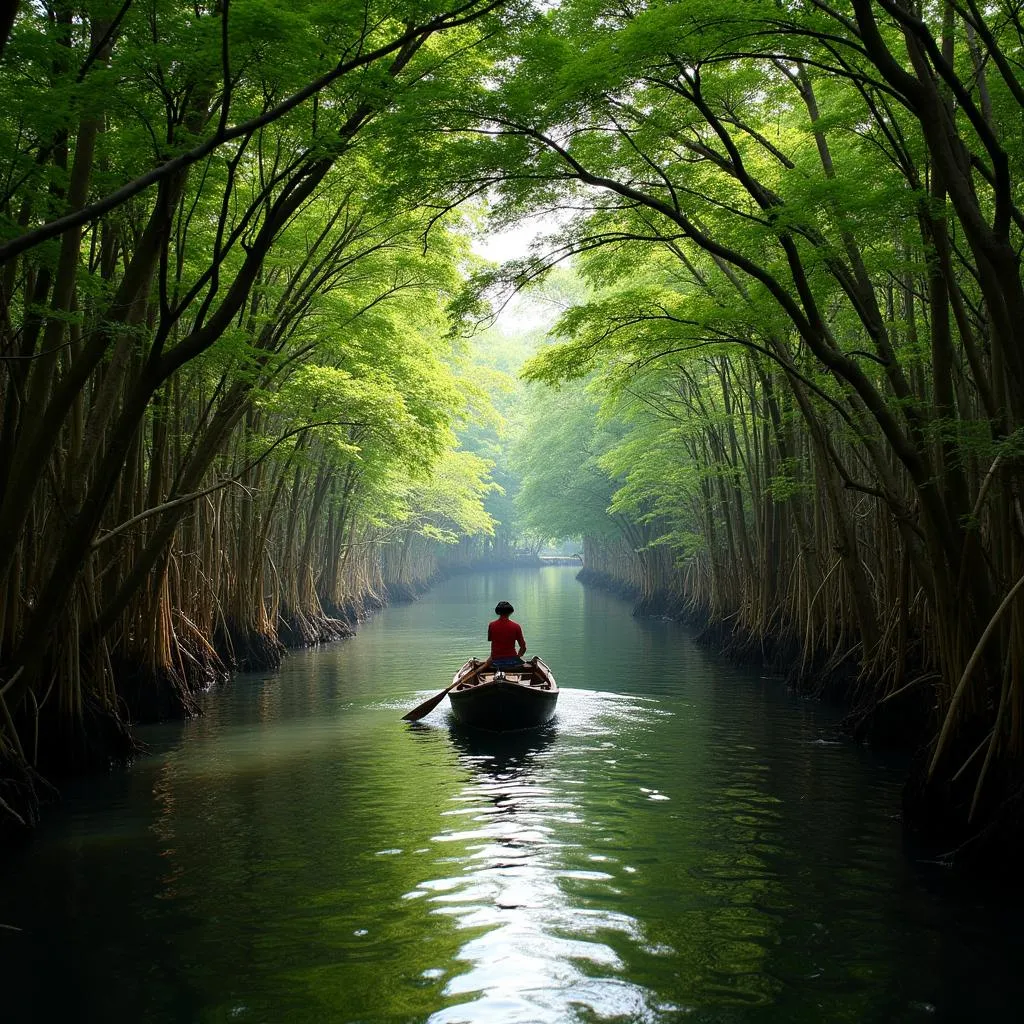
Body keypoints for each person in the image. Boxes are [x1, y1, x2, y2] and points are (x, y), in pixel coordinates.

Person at [486, 600, 527, 669]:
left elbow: (491, 640)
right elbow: (523, 647)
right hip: (512, 661)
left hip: (496, 661)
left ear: (498, 612)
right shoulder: (516, 626)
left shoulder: (491, 625)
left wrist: (491, 657)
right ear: (510, 612)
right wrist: (518, 656)